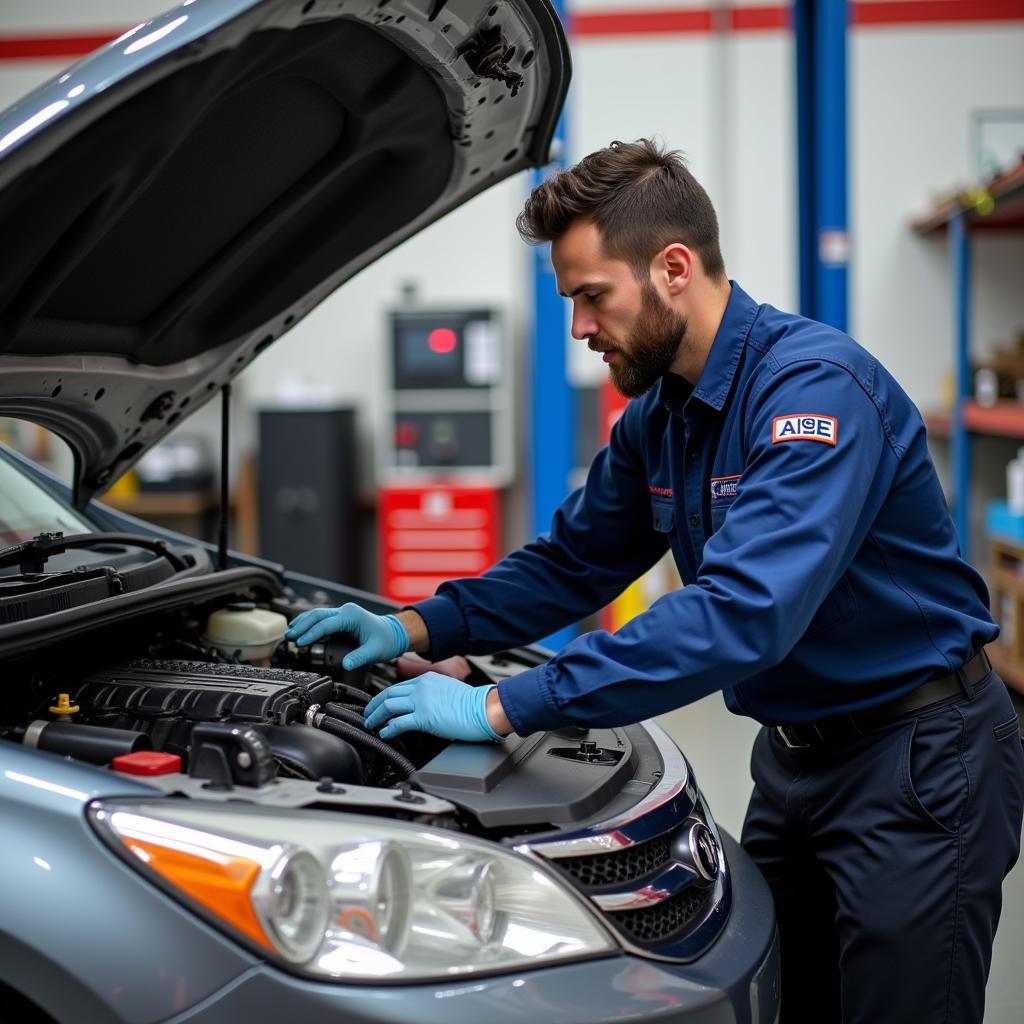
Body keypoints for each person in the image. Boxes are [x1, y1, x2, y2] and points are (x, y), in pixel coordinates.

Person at [286, 139, 1024, 1023]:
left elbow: (741, 617)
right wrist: (415, 626)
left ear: (673, 267)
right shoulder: (662, 418)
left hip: (915, 759)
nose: (581, 328)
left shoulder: (813, 393)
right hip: (794, 761)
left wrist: (500, 707)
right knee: (780, 1000)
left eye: (593, 296)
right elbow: (573, 561)